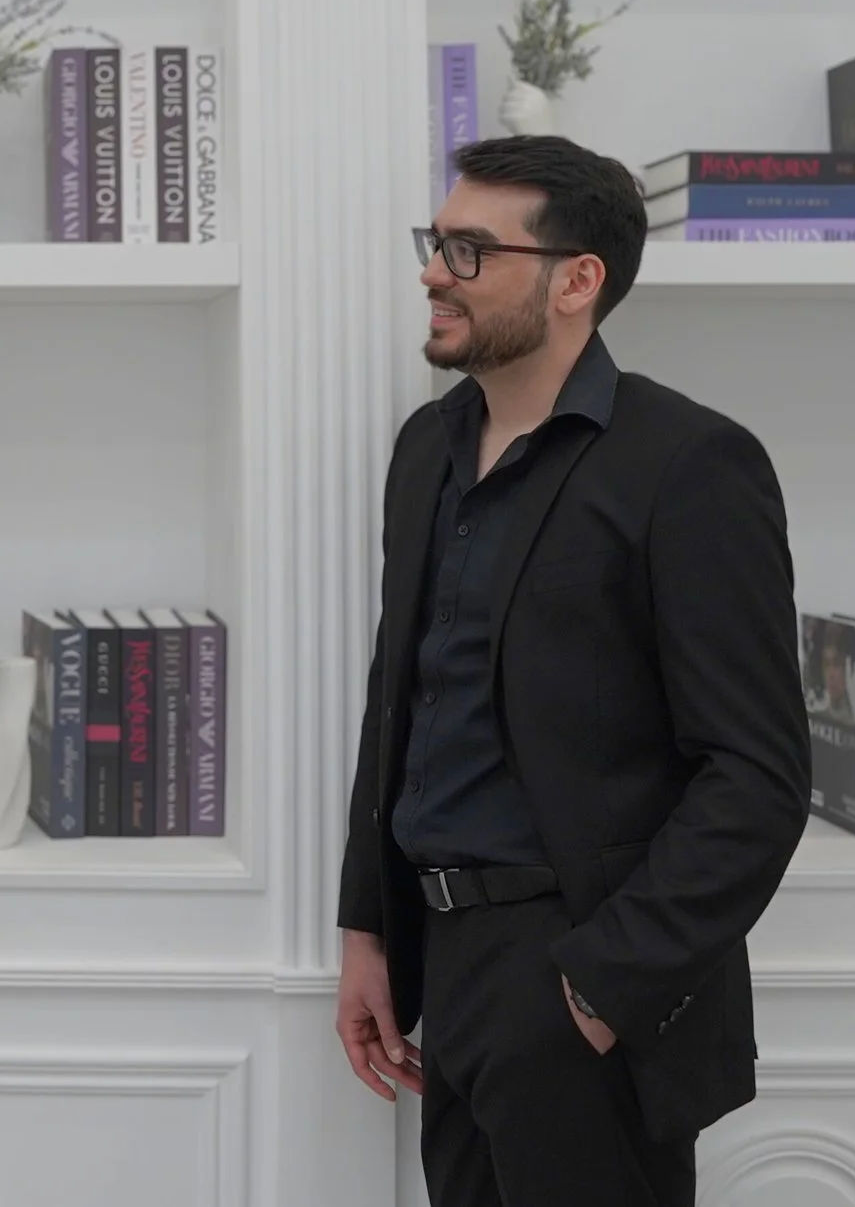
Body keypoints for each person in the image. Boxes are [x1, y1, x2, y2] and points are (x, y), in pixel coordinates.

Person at [333, 135, 811, 1207]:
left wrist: (597, 989)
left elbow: (756, 777)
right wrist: (367, 928)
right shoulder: (427, 448)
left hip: (577, 970)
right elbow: (398, 703)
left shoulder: (688, 464)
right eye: (434, 242)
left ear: (575, 281)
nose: (430, 272)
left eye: (467, 250)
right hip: (438, 958)